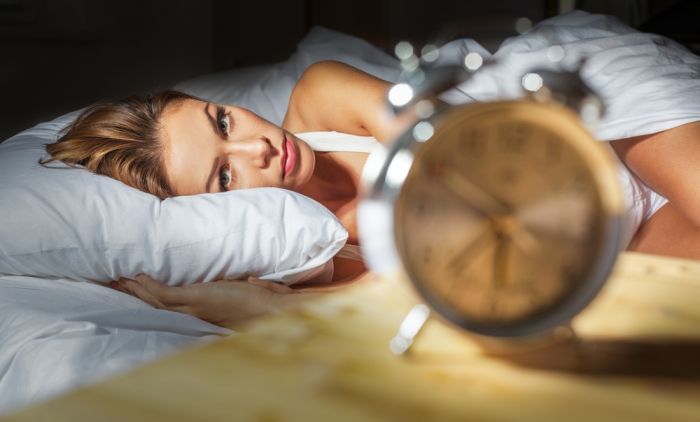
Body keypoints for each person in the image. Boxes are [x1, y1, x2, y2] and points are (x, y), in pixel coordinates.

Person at [42, 54, 700, 328]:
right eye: (224, 175)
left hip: (597, 135)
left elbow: (481, 184)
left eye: (223, 122)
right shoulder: (302, 258)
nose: (255, 146)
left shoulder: (321, 95)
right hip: (593, 239)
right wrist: (256, 303)